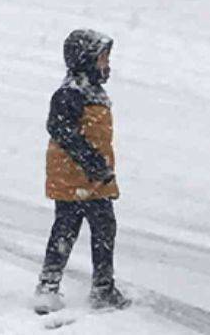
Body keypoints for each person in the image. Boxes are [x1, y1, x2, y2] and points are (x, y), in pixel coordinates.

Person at [34, 30, 131, 315]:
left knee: (81, 229)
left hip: (87, 178)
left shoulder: (93, 94)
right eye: (102, 58)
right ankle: (96, 288)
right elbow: (62, 130)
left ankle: (53, 286)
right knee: (85, 230)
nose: (107, 65)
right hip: (78, 177)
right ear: (86, 60)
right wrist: (93, 164)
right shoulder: (70, 93)